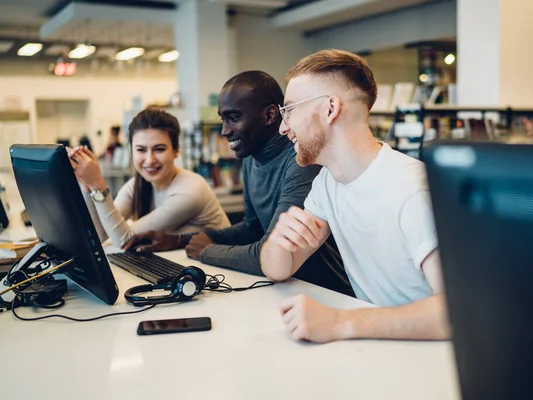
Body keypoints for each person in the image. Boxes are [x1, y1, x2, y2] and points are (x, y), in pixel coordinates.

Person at [260, 50, 449, 342]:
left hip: (427, 360)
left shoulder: (413, 190)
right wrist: (279, 242)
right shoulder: (327, 182)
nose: (283, 127)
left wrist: (339, 322)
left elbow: (456, 312)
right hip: (379, 350)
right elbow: (278, 269)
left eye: (290, 110)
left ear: (330, 108)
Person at [126, 71, 353, 296]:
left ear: (270, 115)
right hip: (289, 291)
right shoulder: (250, 159)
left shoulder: (301, 162)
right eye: (223, 119)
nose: (225, 130)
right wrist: (176, 240)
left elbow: (269, 253)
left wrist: (206, 250)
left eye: (234, 118)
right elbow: (252, 228)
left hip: (329, 294)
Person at [68, 108, 230, 248]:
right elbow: (100, 234)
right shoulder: (139, 183)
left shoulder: (190, 191)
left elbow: (125, 239)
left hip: (219, 273)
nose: (149, 159)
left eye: (159, 149)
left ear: (176, 151)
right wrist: (86, 183)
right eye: (141, 150)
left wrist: (97, 185)